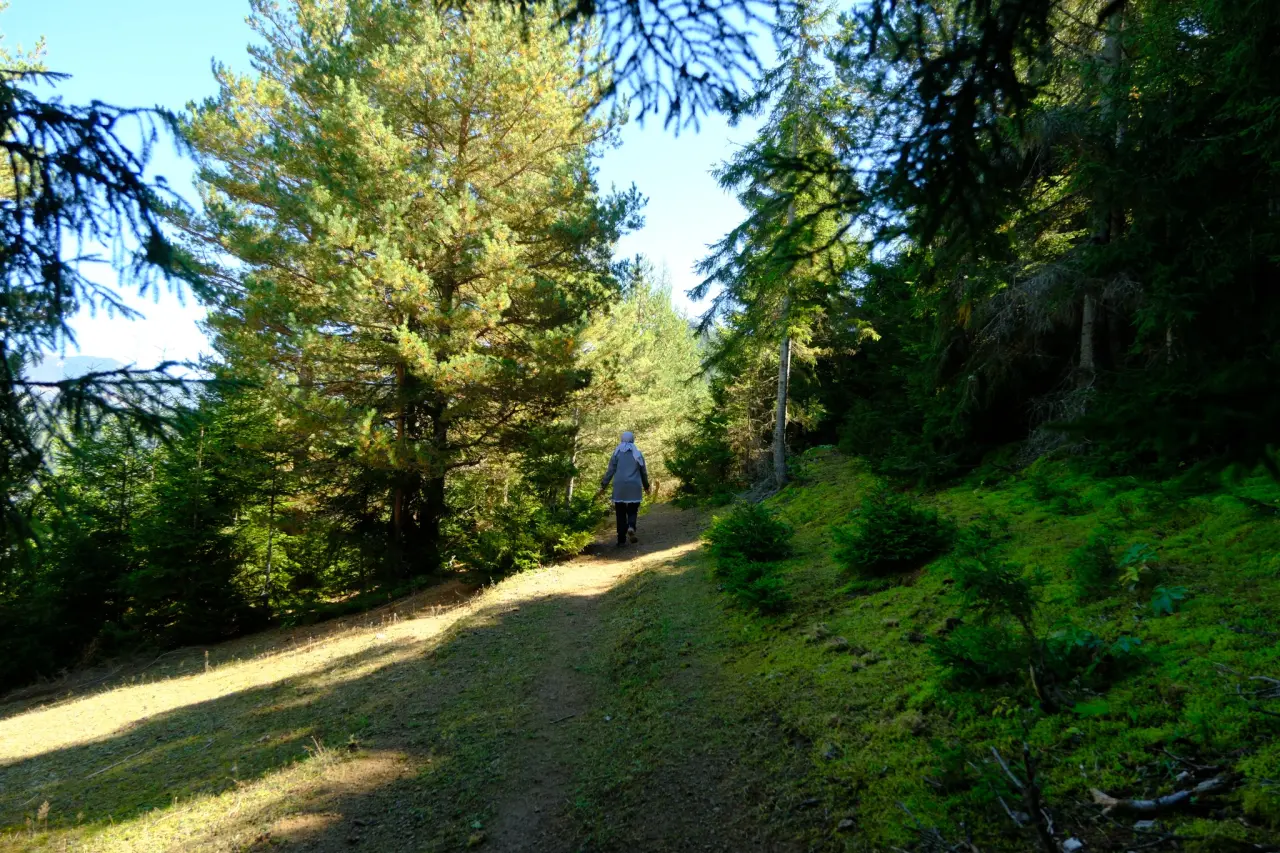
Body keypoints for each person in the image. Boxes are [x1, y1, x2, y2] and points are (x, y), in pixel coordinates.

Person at [597, 430, 651, 547]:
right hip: (634, 486)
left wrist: (603, 486)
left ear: (622, 439)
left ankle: (621, 539)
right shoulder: (638, 454)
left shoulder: (616, 454)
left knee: (620, 513)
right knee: (633, 510)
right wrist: (646, 487)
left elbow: (610, 471)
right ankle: (631, 526)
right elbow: (643, 472)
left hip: (619, 486)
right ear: (632, 439)